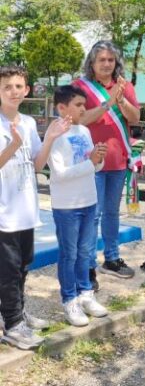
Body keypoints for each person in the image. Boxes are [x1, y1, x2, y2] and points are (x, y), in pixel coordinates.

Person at [0, 66, 68, 350]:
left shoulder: (27, 122)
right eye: (7, 87)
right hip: (3, 212)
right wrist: (13, 144)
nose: (14, 91)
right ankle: (13, 325)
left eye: (19, 86)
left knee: (24, 264)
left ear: (27, 90)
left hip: (26, 208)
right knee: (8, 269)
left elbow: (37, 165)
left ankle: (17, 314)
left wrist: (50, 137)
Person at [74, 41, 141, 287]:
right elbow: (78, 119)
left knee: (112, 213)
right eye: (101, 60)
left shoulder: (124, 86)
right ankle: (87, 265)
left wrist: (121, 100)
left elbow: (135, 118)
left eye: (110, 60)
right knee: (92, 215)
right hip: (90, 161)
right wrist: (108, 102)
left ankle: (111, 258)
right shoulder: (80, 88)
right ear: (92, 62)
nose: (106, 64)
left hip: (118, 160)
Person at [47, 85, 110, 327]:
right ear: (62, 107)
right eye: (79, 105)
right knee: (69, 254)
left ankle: (86, 294)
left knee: (86, 252)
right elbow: (60, 174)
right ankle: (69, 300)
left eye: (84, 104)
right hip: (67, 206)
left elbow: (93, 166)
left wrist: (99, 159)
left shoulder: (84, 130)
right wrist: (91, 162)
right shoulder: (54, 134)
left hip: (88, 200)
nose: (84, 109)